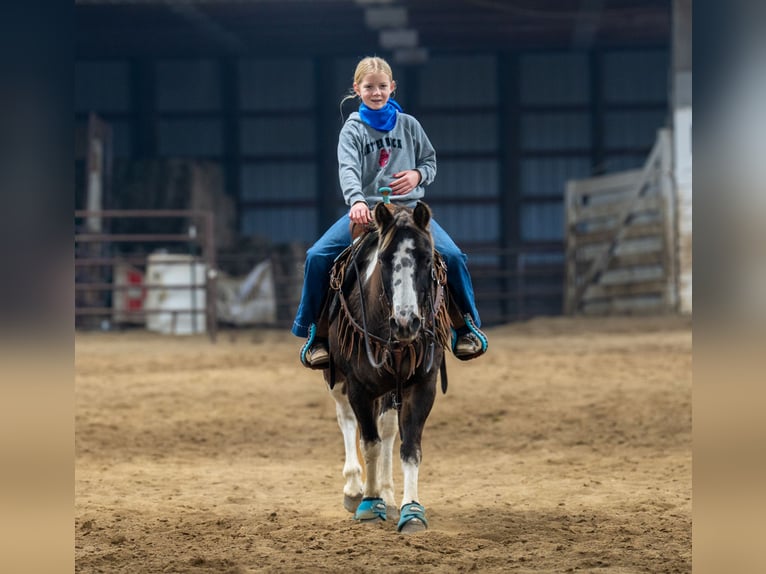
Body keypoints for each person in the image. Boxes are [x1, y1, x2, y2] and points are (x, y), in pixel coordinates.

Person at [291, 56, 488, 368]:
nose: (377, 92)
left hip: (410, 212)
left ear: (392, 87)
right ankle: (316, 334)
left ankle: (465, 328)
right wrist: (356, 201)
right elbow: (348, 170)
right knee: (317, 257)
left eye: (382, 86)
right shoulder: (352, 131)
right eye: (369, 87)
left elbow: (430, 161)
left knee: (452, 257)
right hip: (369, 212)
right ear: (357, 89)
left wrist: (417, 176)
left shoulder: (409, 125)